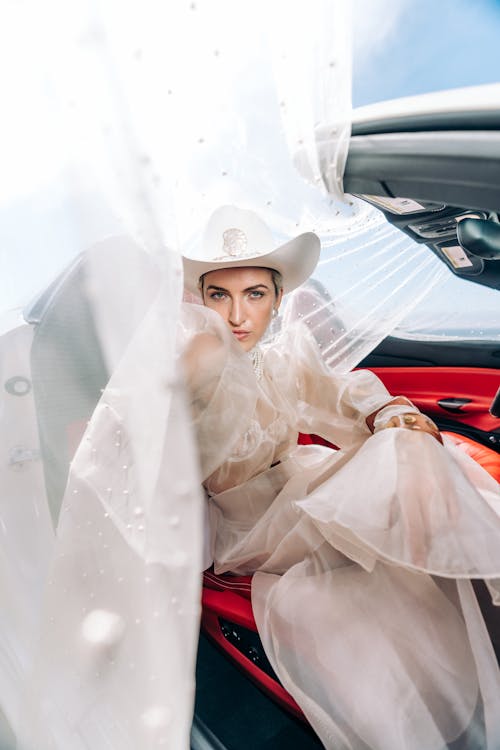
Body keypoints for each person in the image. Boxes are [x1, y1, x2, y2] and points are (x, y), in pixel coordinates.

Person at [181, 206, 500, 750]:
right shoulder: (197, 364)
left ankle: (455, 567)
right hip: (248, 525)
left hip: (301, 485)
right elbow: (155, 416)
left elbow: (341, 391)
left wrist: (387, 413)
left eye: (255, 294)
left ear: (278, 300)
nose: (238, 313)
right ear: (201, 302)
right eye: (220, 295)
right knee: (405, 465)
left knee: (412, 444)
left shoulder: (286, 358)